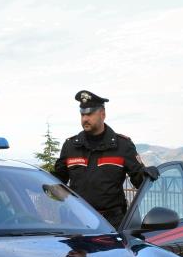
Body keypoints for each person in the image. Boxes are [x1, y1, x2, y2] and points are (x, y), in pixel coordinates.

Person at [53, 90, 159, 227]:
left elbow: (138, 180)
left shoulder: (122, 146)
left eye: (90, 114)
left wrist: (146, 175)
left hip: (111, 224)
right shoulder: (71, 146)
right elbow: (57, 180)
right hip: (77, 224)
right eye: (82, 114)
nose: (85, 119)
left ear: (102, 114)